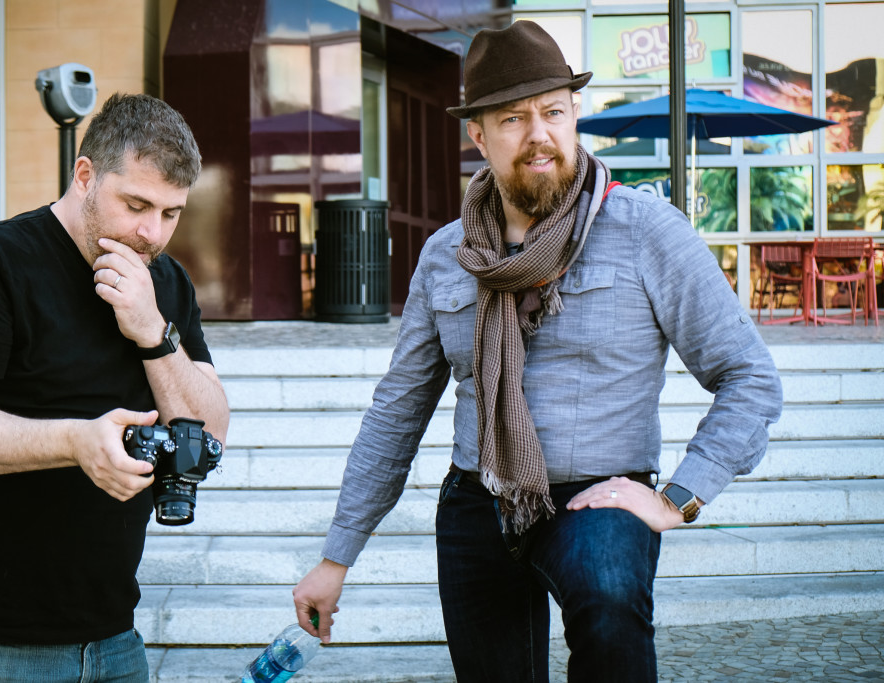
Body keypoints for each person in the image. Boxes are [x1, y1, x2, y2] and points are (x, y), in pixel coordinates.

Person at [292, 21, 783, 682]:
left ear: (574, 113)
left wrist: (677, 498)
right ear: (479, 135)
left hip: (599, 496)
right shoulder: (446, 256)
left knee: (610, 604)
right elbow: (397, 412)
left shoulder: (645, 231)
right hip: (477, 498)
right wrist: (337, 555)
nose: (539, 134)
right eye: (514, 118)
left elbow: (748, 374)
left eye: (553, 111)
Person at [0, 93, 230, 682]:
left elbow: (212, 431)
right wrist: (76, 441)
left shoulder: (167, 284)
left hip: (114, 639)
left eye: (171, 213)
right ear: (85, 175)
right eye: (135, 204)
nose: (151, 232)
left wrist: (153, 333)